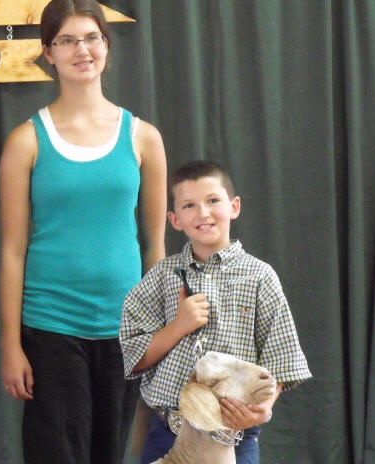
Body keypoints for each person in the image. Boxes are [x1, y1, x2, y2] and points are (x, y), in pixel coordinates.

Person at [0, 0, 167, 464]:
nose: (82, 50)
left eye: (92, 37)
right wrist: (11, 345)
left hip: (124, 334)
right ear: (48, 53)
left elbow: (155, 246)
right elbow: (12, 250)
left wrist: (157, 334)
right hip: (50, 330)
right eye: (67, 40)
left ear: (107, 46)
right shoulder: (26, 141)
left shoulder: (144, 138)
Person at [119, 160, 312, 464]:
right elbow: (132, 357)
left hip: (233, 436)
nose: (203, 213)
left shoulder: (260, 277)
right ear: (174, 219)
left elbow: (282, 359)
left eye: (212, 201)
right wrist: (179, 325)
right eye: (189, 205)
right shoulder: (162, 276)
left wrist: (262, 409)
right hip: (168, 436)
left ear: (234, 207)